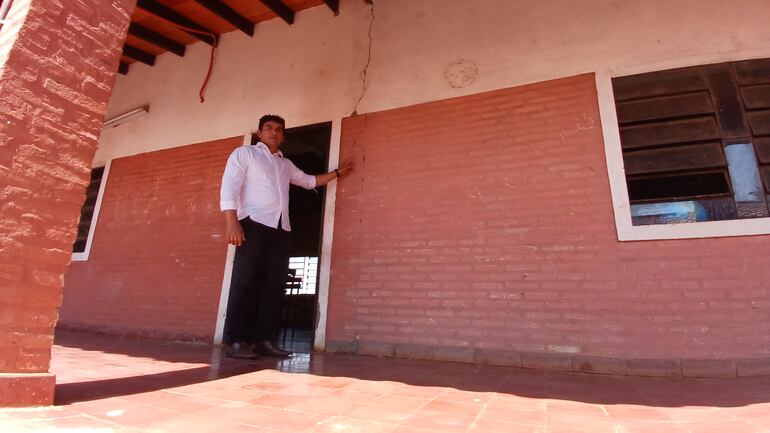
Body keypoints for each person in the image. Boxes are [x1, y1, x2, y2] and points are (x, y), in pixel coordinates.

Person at [219, 114, 352, 359]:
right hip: (252, 224)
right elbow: (229, 186)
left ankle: (264, 340)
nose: (274, 132)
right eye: (268, 128)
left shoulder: (285, 164)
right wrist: (232, 222)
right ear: (260, 133)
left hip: (281, 229)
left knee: (274, 285)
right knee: (245, 282)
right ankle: (236, 341)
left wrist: (338, 173)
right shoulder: (245, 154)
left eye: (279, 129)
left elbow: (309, 181)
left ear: (283, 136)